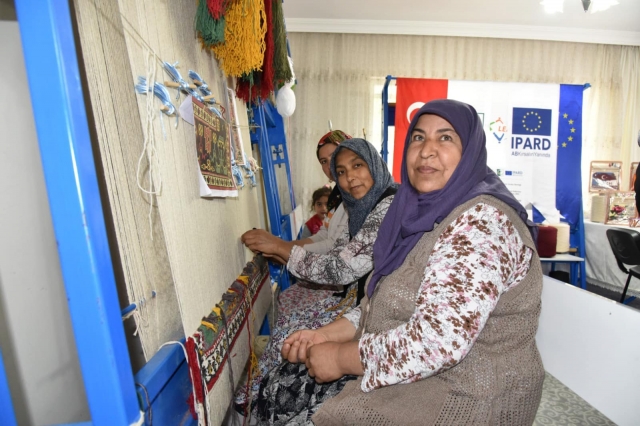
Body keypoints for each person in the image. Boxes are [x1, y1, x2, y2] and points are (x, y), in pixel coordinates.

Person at [254, 99, 544, 425]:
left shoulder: (482, 221)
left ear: (471, 151)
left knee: (305, 411)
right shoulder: (418, 213)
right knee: (281, 388)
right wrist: (327, 337)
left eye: (445, 138)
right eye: (418, 137)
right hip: (417, 371)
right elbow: (382, 303)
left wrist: (339, 356)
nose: (427, 150)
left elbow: (437, 342)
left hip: (469, 394)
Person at [236, 138, 397, 418]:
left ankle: (254, 397)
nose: (347, 177)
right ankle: (256, 395)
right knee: (288, 311)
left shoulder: (387, 206)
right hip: (365, 303)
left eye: (357, 165)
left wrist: (282, 248)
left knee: (292, 332)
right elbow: (335, 246)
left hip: (373, 311)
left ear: (374, 164)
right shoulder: (352, 202)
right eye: (339, 168)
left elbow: (342, 267)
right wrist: (285, 249)